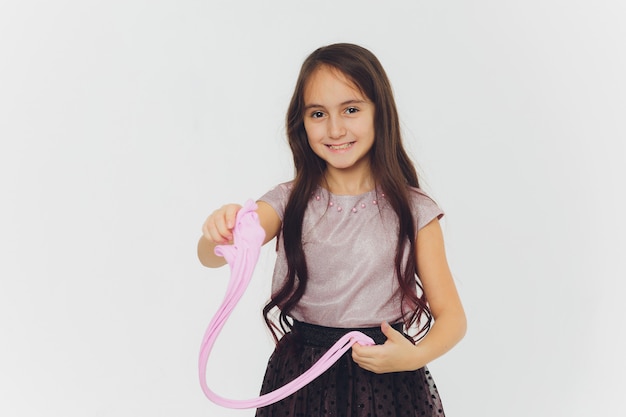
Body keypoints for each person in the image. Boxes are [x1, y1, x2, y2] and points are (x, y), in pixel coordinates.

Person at [197, 43, 466, 417]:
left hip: (385, 377)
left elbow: (452, 316)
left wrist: (414, 356)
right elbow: (214, 255)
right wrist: (219, 232)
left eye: (351, 110)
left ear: (379, 114)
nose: (335, 128)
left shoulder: (414, 210)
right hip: (301, 378)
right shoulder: (286, 202)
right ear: (302, 122)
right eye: (318, 113)